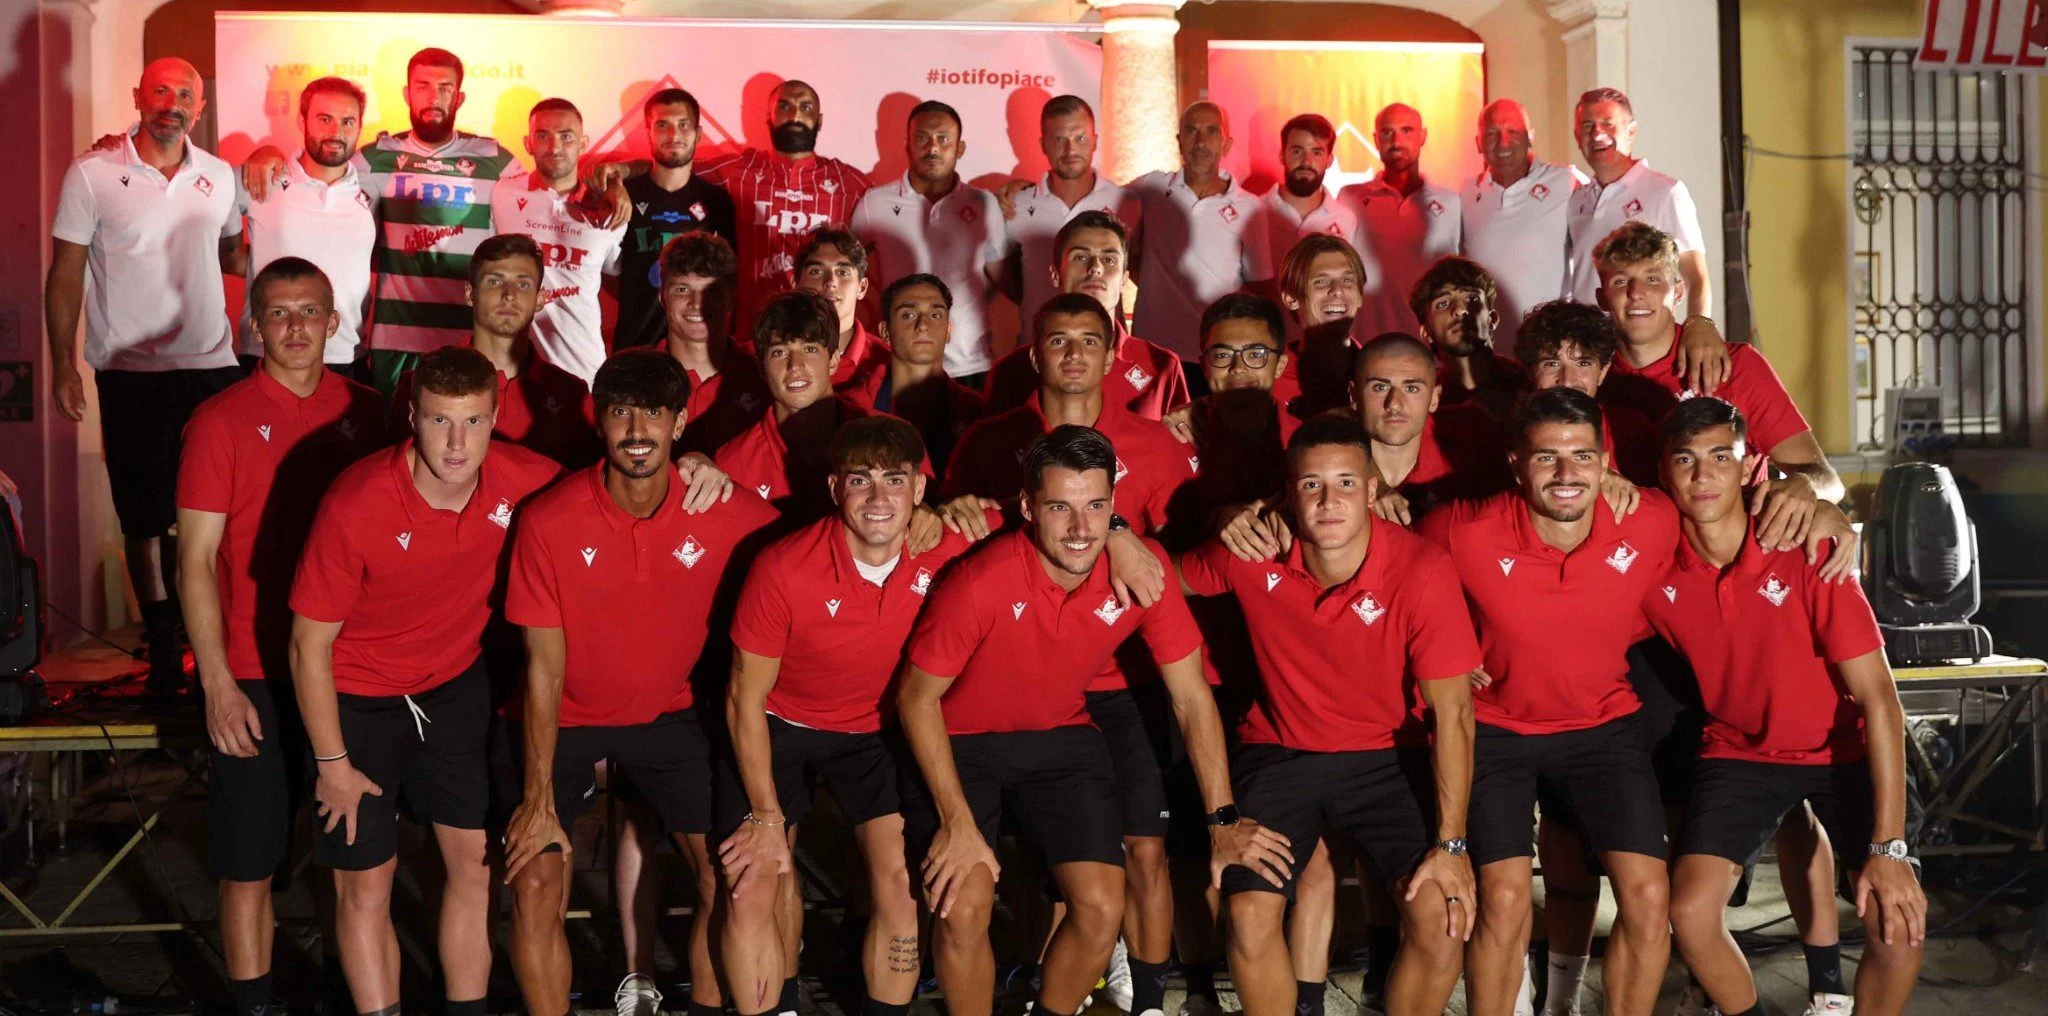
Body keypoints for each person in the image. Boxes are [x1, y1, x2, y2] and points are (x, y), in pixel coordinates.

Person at [898, 424, 1288, 1016]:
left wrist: (1223, 818)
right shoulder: (981, 581)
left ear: (1113, 506)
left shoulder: (1140, 571)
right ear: (1028, 507)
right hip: (961, 744)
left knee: (1104, 907)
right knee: (964, 904)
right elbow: (915, 699)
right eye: (1060, 507)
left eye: (1096, 507)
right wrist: (955, 822)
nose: (1081, 528)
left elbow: (1190, 697)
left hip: (1061, 735)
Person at [499, 349, 776, 1016]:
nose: (636, 430)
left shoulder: (727, 509)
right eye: (621, 412)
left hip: (671, 714)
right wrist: (537, 799)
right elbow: (543, 668)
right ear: (599, 420)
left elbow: (821, 547)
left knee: (725, 875)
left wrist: (927, 520)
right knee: (535, 878)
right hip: (563, 716)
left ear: (680, 423)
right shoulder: (549, 518)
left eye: (653, 413)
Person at [288, 346, 562, 1016]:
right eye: (440, 421)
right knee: (366, 886)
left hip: (451, 689)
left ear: (494, 417)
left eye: (472, 422)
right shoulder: (356, 501)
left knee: (475, 868)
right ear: (412, 416)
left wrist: (697, 466)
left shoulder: (526, 479)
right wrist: (332, 764)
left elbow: (619, 483)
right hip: (356, 698)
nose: (457, 443)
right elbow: (306, 646)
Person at [1179, 414, 1478, 1016]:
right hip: (1280, 752)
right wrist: (1130, 535)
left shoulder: (1421, 568)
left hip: (1388, 758)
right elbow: (1163, 580)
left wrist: (1452, 844)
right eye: (1311, 485)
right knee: (1248, 914)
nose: (1328, 500)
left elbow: (1454, 715)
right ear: (1287, 495)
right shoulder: (1252, 552)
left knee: (1443, 918)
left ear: (1371, 491)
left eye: (1345, 483)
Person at [1651, 397, 1925, 1016]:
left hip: (1843, 750)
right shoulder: (1653, 568)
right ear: (1664, 473)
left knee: (1897, 926)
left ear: (1749, 468)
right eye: (1686, 460)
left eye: (1721, 457)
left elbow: (1881, 699)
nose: (1703, 475)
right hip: (1741, 752)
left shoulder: (1810, 549)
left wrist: (1888, 850)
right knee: (1689, 912)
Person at [1416, 387, 1679, 1016]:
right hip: (1496, 731)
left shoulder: (1652, 519)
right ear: (1515, 463)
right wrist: (1444, 654)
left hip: (1604, 726)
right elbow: (1393, 584)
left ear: (1605, 462)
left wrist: (1819, 510)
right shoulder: (1460, 529)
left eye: (1582, 456)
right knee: (1504, 900)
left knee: (1649, 897)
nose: (1566, 473)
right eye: (1546, 457)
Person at [175, 258, 386, 1016]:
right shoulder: (219, 420)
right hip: (254, 672)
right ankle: (255, 1004)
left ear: (335, 321)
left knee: (347, 855)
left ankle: (342, 990)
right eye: (279, 312)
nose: (296, 327)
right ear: (255, 326)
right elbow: (195, 561)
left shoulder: (371, 411)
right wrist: (217, 683)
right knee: (250, 862)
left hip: (347, 671)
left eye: (310, 311)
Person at [719, 416, 981, 1016]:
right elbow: (743, 700)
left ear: (919, 488)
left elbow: (1046, 515)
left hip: (874, 733)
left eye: (895, 480)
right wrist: (765, 816)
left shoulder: (947, 546)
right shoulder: (783, 566)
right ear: (836, 488)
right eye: (861, 480)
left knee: (900, 882)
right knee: (752, 882)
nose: (879, 497)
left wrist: (1120, 535)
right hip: (779, 724)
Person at [47, 56, 248, 695]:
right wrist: (63, 366)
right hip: (130, 373)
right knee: (143, 517)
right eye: (161, 90)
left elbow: (235, 254)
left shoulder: (220, 176)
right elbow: (65, 274)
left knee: (210, 514)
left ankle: (209, 644)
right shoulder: (92, 172)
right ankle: (163, 646)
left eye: (185, 94)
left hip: (212, 370)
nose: (173, 103)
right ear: (139, 95)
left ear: (200, 108)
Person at [243, 48, 533, 395]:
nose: (433, 97)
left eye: (444, 88)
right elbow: (321, 168)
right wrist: (267, 153)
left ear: (459, 97)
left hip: (468, 335)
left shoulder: (497, 160)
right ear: (407, 94)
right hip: (394, 339)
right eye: (423, 86)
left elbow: (542, 203)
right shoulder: (372, 159)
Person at [1592, 221, 1846, 555]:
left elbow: (1828, 481)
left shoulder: (1737, 366)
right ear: (1602, 297)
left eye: (1653, 279)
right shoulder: (1589, 374)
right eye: (1621, 281)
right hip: (1641, 559)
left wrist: (1805, 486)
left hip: (1738, 558)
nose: (1636, 292)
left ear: (1678, 292)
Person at [392, 234, 601, 468]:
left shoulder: (571, 394)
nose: (509, 295)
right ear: (470, 294)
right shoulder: (419, 385)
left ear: (540, 298)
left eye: (523, 284)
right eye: (495, 281)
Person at [715, 291, 922, 518]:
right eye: (779, 352)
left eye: (810, 349)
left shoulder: (895, 439)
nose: (795, 365)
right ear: (762, 368)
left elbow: (933, 516)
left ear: (833, 360)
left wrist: (929, 512)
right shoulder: (732, 463)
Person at [850, 100, 1006, 384]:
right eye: (922, 138)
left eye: (943, 138)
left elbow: (1001, 278)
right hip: (898, 361)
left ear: (960, 148)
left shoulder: (984, 203)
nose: (933, 148)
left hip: (969, 363)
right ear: (907, 145)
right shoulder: (875, 203)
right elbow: (849, 269)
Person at [984, 210, 1190, 421]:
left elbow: (1182, 440)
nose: (1095, 268)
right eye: (1081, 257)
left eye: (1109, 260)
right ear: (1055, 274)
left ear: (1123, 280)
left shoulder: (1162, 366)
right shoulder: (1010, 372)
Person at [697, 79, 872, 325]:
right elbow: (670, 172)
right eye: (784, 106)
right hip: (751, 330)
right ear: (769, 117)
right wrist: (635, 172)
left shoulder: (849, 183)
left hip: (822, 331)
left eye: (805, 107)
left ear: (820, 120)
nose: (794, 115)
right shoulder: (738, 170)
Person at [234, 76, 376, 373]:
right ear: (302, 121)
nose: (336, 132)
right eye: (325, 119)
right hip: (267, 355)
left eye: (348, 122)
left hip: (347, 358)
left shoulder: (373, 189)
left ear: (360, 127)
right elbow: (217, 248)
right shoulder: (262, 177)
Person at [490, 98, 628, 385]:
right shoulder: (501, 193)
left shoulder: (610, 207)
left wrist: (618, 180)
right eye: (543, 136)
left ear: (583, 143)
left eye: (566, 136)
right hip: (513, 371)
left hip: (583, 371)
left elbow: (619, 285)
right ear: (528, 143)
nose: (554, 147)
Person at [1130, 102, 1259, 385]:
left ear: (1226, 144)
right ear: (1179, 141)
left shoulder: (1251, 208)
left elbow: (1259, 287)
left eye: (1211, 131)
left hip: (1216, 354)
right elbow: (1098, 206)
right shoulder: (1150, 188)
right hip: (1152, 350)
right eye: (1191, 131)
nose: (1200, 141)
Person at [997, 95, 1142, 335]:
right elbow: (1004, 278)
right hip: (1037, 343)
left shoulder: (1128, 202)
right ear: (1043, 144)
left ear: (1094, 141)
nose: (1070, 150)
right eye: (1059, 139)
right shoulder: (1016, 205)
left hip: (1106, 345)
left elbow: (1142, 271)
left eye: (1080, 138)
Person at [1564, 87, 1712, 317]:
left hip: (1642, 335)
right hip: (1585, 337)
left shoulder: (1666, 192)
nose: (1597, 134)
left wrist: (1699, 329)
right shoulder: (1576, 200)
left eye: (1608, 124)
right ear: (1576, 137)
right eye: (1587, 126)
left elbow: (1696, 278)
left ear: (1631, 132)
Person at [614, 87, 738, 351]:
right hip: (636, 345)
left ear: (698, 133)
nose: (673, 135)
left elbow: (726, 278)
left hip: (699, 350)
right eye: (663, 125)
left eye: (683, 125)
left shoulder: (717, 201)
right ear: (648, 132)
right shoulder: (625, 195)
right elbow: (606, 272)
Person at [1458, 100, 1584, 355]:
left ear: (1530, 137)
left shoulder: (1565, 181)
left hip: (1549, 346)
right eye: (1492, 134)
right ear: (1478, 143)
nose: (1503, 142)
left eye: (1512, 131)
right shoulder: (1467, 192)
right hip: (1486, 349)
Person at [1351, 334, 1512, 525]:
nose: (1394, 404)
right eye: (1380, 387)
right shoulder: (1326, 463)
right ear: (1353, 396)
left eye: (1411, 389)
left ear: (1435, 397)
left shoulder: (1472, 449)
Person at [1338, 104, 1461, 342]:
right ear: (1375, 139)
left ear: (1423, 136)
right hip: (1368, 342)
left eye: (1407, 130)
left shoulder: (1451, 202)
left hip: (1431, 344)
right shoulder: (1349, 198)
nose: (1396, 141)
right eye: (1387, 132)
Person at [1516, 300, 1661, 486]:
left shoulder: (1631, 432)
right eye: (1552, 364)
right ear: (1530, 371)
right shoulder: (1506, 429)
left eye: (1583, 363)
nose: (1567, 380)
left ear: (1603, 371)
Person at [659, 231, 773, 458]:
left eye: (711, 291)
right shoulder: (633, 376)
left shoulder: (765, 375)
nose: (697, 303)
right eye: (682, 289)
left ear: (732, 297)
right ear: (662, 296)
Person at [868, 274, 987, 476]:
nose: (923, 325)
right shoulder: (854, 408)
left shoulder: (978, 414)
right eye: (908, 315)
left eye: (935, 315)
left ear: (948, 331)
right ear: (885, 331)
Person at [1245, 114, 1361, 295]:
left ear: (1329, 160)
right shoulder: (1252, 212)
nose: (1306, 161)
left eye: (1316, 152)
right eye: (1297, 151)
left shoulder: (1347, 220)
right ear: (1282, 156)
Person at [1406, 256, 1525, 417]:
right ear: (1426, 332)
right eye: (1443, 303)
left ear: (1492, 319)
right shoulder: (1419, 401)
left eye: (1472, 299)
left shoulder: (1529, 381)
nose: (1460, 310)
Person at [793, 228, 893, 399]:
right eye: (816, 271)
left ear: (862, 287)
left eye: (842, 272)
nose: (831, 282)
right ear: (796, 285)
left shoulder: (889, 364)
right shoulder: (756, 357)